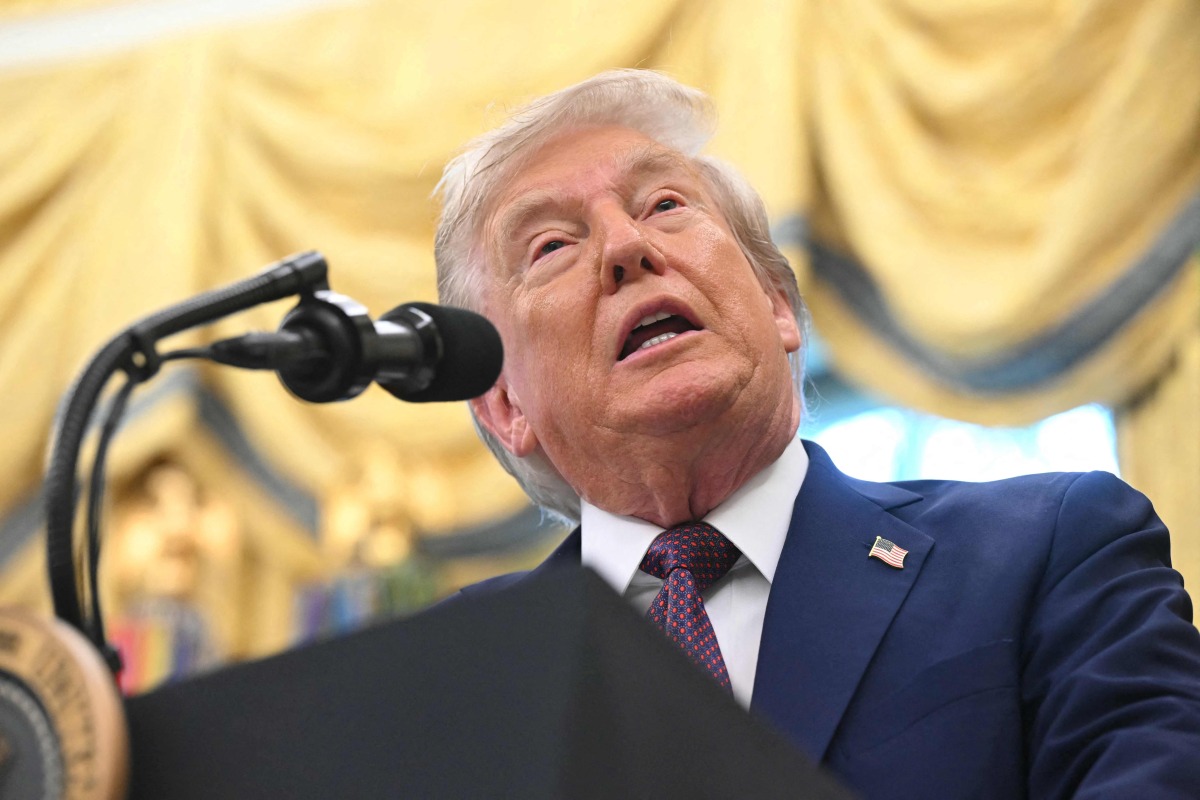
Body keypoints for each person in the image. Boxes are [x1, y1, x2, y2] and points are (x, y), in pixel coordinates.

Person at [432, 70, 1200, 798]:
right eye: (552, 247)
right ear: (505, 406)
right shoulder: (453, 674)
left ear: (774, 303)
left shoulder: (1051, 549)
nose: (627, 248)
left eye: (665, 204)